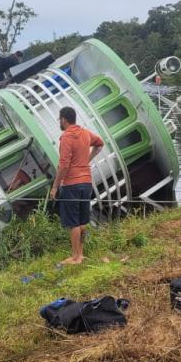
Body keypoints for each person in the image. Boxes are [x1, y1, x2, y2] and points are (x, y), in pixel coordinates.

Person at [50, 106, 103, 265]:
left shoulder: (66, 137)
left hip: (71, 184)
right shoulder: (85, 133)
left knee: (72, 222)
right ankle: (80, 254)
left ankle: (75, 257)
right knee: (82, 220)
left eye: (59, 119)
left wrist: (55, 187)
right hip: (86, 182)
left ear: (64, 120)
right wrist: (87, 160)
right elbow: (100, 144)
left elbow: (64, 165)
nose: (59, 122)